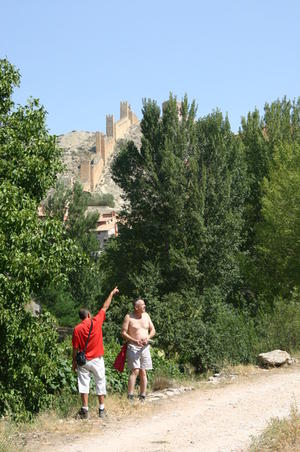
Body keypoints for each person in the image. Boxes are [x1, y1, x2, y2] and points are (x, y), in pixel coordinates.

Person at [72, 287, 119, 419]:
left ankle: (85, 410)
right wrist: (111, 293)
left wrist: (74, 363)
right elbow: (105, 307)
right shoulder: (96, 321)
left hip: (83, 361)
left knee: (84, 384)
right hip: (97, 359)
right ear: (88, 315)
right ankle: (101, 410)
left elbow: (75, 349)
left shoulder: (76, 329)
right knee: (100, 382)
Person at [121, 298, 156, 401]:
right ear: (136, 307)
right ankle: (130, 396)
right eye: (142, 305)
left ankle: (142, 396)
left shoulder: (146, 316)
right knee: (135, 371)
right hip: (133, 347)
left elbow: (153, 330)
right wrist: (134, 340)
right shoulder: (129, 317)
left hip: (145, 347)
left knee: (143, 371)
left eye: (144, 304)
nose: (145, 306)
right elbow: (123, 332)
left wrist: (148, 338)